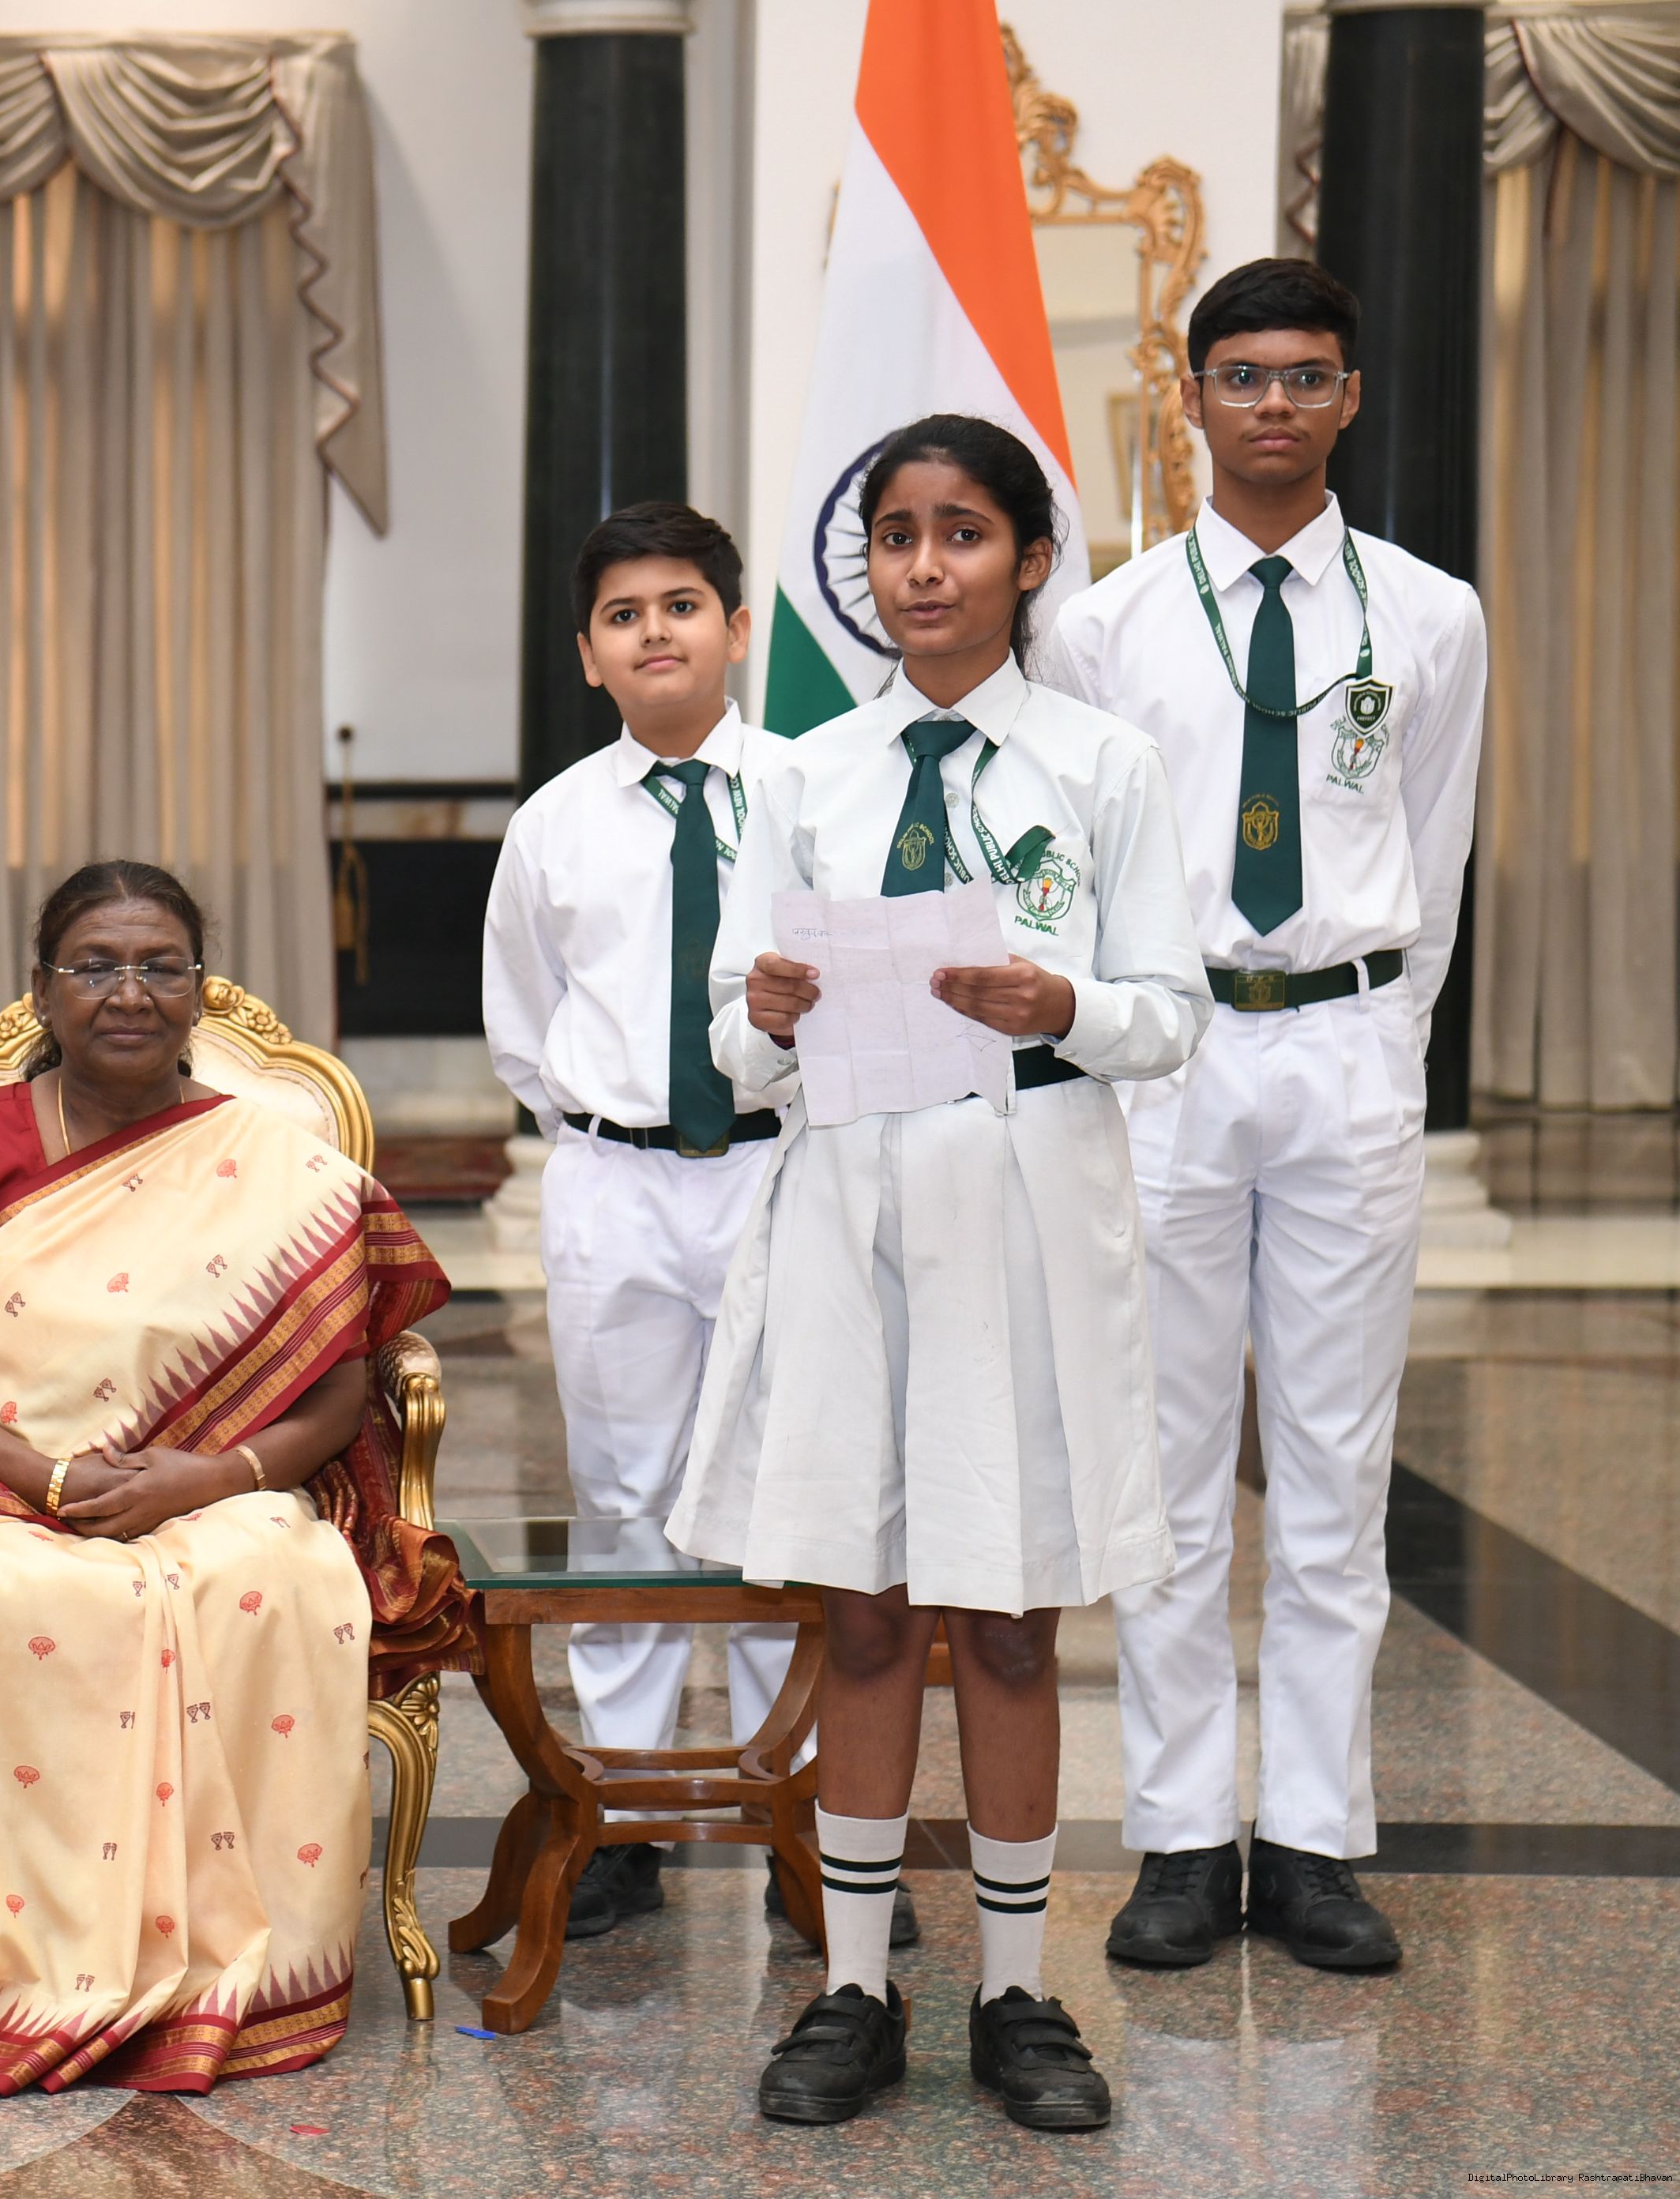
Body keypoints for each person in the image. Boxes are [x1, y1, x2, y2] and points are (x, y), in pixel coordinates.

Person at [674, 415, 1211, 2131]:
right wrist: (761, 1015)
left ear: (1030, 561)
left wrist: (1069, 1005)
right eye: (898, 536)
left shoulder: (1102, 766)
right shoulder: (805, 776)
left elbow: (1171, 1014)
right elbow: (733, 1035)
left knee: (1009, 1612)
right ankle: (853, 1985)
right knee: (865, 1607)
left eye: (963, 533)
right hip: (850, 1210)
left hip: (1026, 1215)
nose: (925, 567)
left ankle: (1019, 1996)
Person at [0, 861, 474, 2094]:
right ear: (42, 991)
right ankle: (18, 1966)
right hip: (6, 1485)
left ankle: (226, 1968)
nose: (128, 993)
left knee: (270, 1574)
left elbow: (339, 1397)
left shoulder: (276, 1159)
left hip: (219, 1484)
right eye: (95, 966)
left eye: (159, 967)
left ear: (198, 989)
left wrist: (203, 1478)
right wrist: (49, 1477)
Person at [1035, 258, 1486, 1975]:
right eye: (1244, 376)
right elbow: (1079, 872)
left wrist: (1389, 1045)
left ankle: (1309, 1839)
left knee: (1333, 1465)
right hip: (1172, 1057)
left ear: (1348, 397)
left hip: (1350, 1051)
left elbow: (1436, 850)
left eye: (1306, 376)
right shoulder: (1109, 624)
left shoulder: (1431, 614)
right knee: (1158, 1467)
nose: (1275, 404)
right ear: (1193, 399)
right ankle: (1174, 1835)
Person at [483, 502, 908, 1953]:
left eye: (681, 606)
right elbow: (526, 1022)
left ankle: (809, 1817)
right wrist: (613, 1130)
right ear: (588, 656)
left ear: (737, 630)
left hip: (785, 1172)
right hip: (616, 1184)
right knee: (626, 1491)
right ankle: (629, 1810)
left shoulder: (814, 793)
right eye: (623, 615)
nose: (654, 632)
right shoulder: (553, 824)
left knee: (799, 1488)